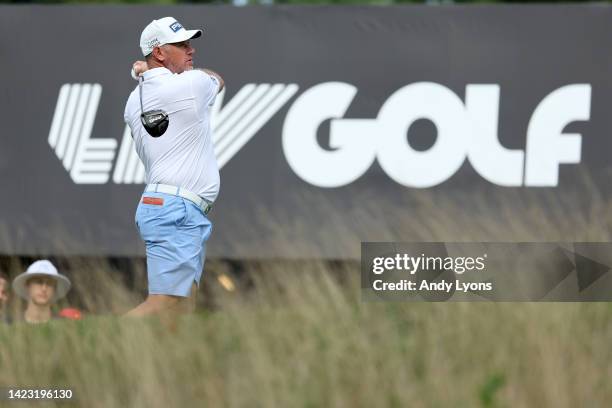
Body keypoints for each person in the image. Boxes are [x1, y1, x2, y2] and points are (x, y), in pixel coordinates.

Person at [124, 17, 224, 317]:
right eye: (181, 45)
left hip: (167, 206)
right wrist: (146, 71)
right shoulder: (192, 84)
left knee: (183, 306)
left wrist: (143, 72)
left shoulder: (132, 100)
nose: (191, 50)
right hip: (176, 208)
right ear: (159, 53)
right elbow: (217, 79)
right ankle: (99, 347)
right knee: (166, 301)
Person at [12, 260, 71, 324]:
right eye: (39, 282)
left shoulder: (64, 326)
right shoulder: (11, 325)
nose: (44, 288)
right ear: (27, 286)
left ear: (55, 289)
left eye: (50, 283)